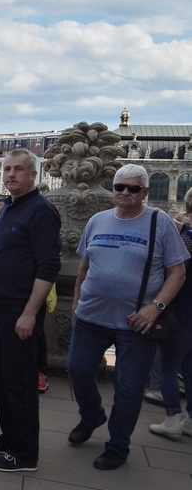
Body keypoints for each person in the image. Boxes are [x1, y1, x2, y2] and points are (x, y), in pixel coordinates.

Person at [69, 164, 188, 469]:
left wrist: (156, 307)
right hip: (91, 316)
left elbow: (178, 273)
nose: (125, 193)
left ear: (144, 192)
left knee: (129, 387)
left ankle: (118, 446)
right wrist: (78, 297)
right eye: (119, 187)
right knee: (78, 370)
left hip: (136, 321)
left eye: (133, 188)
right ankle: (91, 415)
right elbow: (84, 265)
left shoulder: (160, 222)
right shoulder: (97, 220)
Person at [0, 149, 60, 473]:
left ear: (33, 174)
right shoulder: (11, 207)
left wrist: (29, 313)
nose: (11, 174)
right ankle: (9, 438)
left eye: (18, 169)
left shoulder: (41, 211)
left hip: (19, 310)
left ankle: (24, 454)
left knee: (19, 383)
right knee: (1, 379)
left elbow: (48, 266)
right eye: (7, 169)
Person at [149, 190, 192, 439]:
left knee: (168, 366)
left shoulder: (183, 237)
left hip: (179, 311)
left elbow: (173, 272)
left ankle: (173, 417)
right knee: (189, 366)